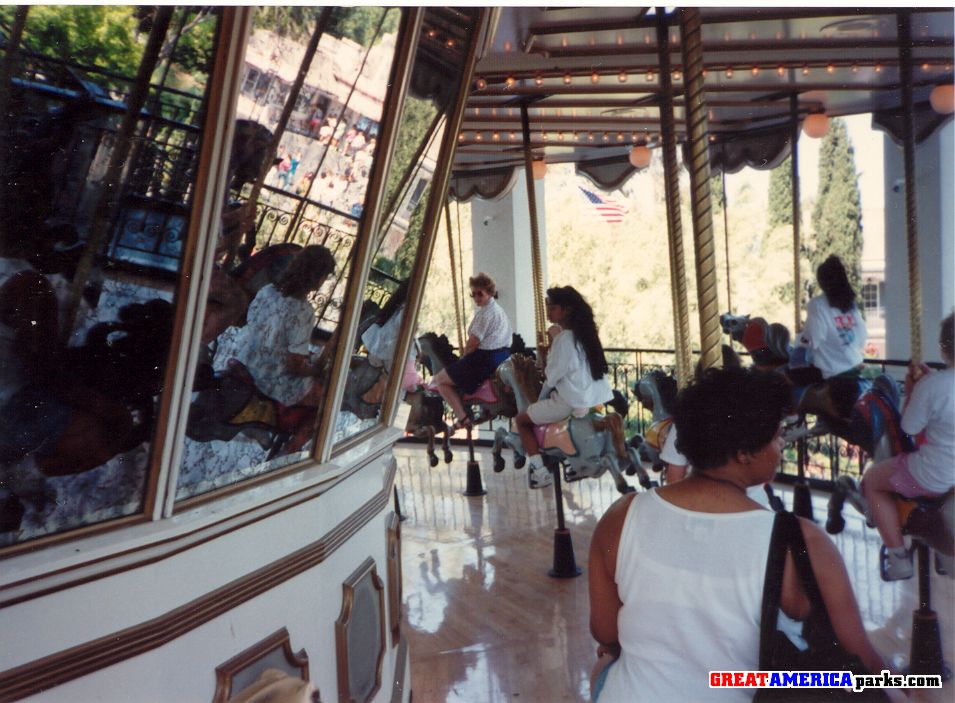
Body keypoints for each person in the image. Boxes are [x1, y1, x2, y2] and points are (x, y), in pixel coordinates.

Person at [588, 367, 892, 702]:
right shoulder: (796, 539)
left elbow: (605, 631)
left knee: (603, 667)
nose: (780, 447)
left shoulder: (622, 514)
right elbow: (861, 660)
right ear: (744, 453)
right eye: (776, 438)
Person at [861, 312, 955, 580]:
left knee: (873, 481)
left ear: (944, 348)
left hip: (935, 477)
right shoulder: (935, 384)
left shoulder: (934, 385)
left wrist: (915, 390)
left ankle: (898, 556)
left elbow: (909, 429)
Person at [515, 286, 613, 489]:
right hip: (593, 399)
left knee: (522, 420)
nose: (548, 311)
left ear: (566, 310)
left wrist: (539, 399)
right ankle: (568, 458)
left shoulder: (565, 339)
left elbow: (552, 376)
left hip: (570, 400)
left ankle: (540, 472)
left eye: (552, 307)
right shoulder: (585, 335)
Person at [217, 245, 336, 410]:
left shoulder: (267, 291)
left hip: (245, 358)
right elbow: (294, 366)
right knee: (325, 397)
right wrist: (315, 369)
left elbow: (254, 324)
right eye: (325, 276)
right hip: (266, 377)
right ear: (317, 275)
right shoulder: (303, 311)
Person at [432, 273, 512, 430]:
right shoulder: (498, 310)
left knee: (440, 381)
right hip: (502, 355)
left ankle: (463, 418)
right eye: (473, 294)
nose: (476, 298)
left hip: (484, 359)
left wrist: (463, 358)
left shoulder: (485, 314)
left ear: (489, 292)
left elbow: (473, 343)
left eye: (479, 294)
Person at [793, 255, 867, 381]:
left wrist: (800, 345)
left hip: (833, 372)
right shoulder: (850, 304)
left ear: (822, 282)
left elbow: (812, 339)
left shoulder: (817, 305)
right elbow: (862, 338)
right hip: (855, 364)